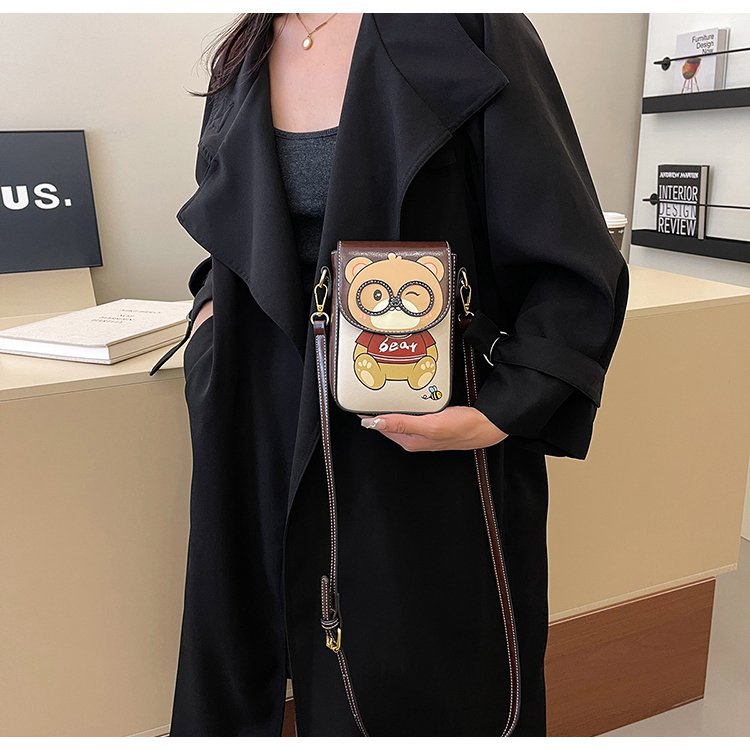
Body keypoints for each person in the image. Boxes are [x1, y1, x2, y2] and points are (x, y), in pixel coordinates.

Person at [151, 12, 629, 737]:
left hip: (420, 420)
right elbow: (238, 233)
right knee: (248, 658)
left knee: (420, 682)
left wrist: (504, 406)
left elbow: (573, 252)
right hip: (259, 411)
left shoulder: (468, 27)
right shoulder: (242, 57)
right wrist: (209, 317)